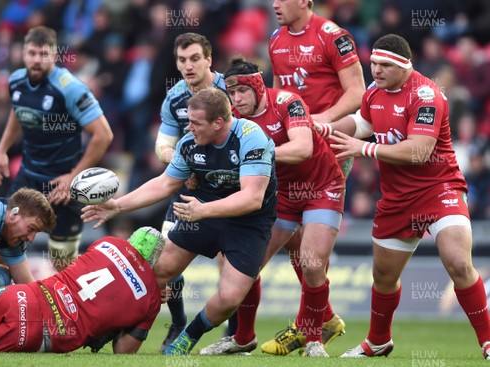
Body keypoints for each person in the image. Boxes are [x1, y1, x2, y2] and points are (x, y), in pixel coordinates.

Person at [323, 34, 490, 360]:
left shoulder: (426, 94)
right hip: (397, 199)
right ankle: (378, 341)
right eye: (373, 64)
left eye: (385, 65)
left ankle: (488, 342)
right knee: (383, 277)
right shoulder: (374, 91)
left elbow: (419, 150)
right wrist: (328, 128)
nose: (377, 70)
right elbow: (362, 122)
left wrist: (363, 149)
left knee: (458, 262)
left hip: (439, 189)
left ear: (404, 65)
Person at [82, 87, 278, 355]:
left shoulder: (250, 138)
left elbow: (252, 199)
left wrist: (204, 210)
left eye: (195, 122)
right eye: (188, 121)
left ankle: (189, 335)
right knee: (156, 273)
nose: (189, 127)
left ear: (218, 122)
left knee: (231, 297)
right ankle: (113, 325)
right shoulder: (189, 143)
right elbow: (164, 184)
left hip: (248, 222)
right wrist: (118, 205)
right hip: (201, 212)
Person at [199, 57, 345, 357]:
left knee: (311, 263)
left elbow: (303, 148)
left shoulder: (289, 102)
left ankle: (314, 339)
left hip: (322, 187)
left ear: (256, 85)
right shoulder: (235, 117)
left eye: (241, 92)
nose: (236, 99)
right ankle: (243, 338)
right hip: (281, 195)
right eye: (231, 93)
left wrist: (259, 153)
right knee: (245, 266)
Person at [263, 0, 366, 354]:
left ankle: (309, 328)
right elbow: (278, 95)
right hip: (292, 152)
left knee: (311, 250)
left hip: (327, 149)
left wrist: (321, 120)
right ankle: (325, 316)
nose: (274, 4)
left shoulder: (333, 36)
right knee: (295, 240)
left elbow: (357, 92)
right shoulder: (275, 39)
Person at [0, 227, 165, 354]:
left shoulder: (107, 243)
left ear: (130, 240)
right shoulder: (151, 299)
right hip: (40, 332)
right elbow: (124, 352)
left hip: (24, 295)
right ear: (153, 261)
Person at [0, 26, 113, 272]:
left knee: (63, 263)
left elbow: (103, 135)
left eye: (43, 54)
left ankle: (82, 305)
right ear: (23, 53)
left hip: (62, 185)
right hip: (28, 177)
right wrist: (1, 150)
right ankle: (10, 304)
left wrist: (73, 177)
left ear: (54, 56)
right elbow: (18, 114)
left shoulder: (70, 88)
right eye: (32, 53)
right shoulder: (16, 81)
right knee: (1, 249)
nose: (37, 60)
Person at [154, 32, 227, 351]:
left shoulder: (230, 89)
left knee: (230, 264)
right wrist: (180, 162)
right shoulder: (174, 97)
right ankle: (179, 321)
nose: (188, 66)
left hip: (230, 190)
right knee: (164, 255)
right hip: (188, 188)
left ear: (209, 59)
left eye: (195, 58)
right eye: (182, 60)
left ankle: (235, 334)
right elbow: (162, 146)